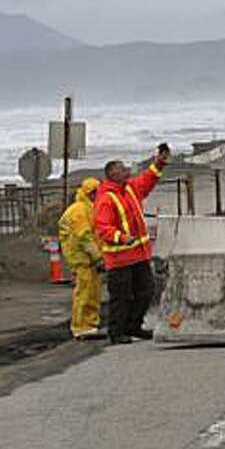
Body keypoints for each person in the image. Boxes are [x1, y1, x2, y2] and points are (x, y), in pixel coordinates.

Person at [94, 143, 171, 345]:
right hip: (119, 258)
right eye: (121, 169)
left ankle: (134, 325)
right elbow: (103, 227)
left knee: (146, 291)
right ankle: (116, 332)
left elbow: (148, 180)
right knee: (121, 297)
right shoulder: (106, 198)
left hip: (139, 254)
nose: (126, 171)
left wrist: (159, 163)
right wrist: (121, 237)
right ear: (111, 174)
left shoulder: (130, 189)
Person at [58, 177, 104, 340]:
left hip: (85, 258)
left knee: (92, 291)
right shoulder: (80, 210)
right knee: (85, 292)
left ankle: (90, 324)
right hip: (82, 258)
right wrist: (98, 257)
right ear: (91, 194)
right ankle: (81, 327)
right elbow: (85, 237)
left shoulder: (84, 208)